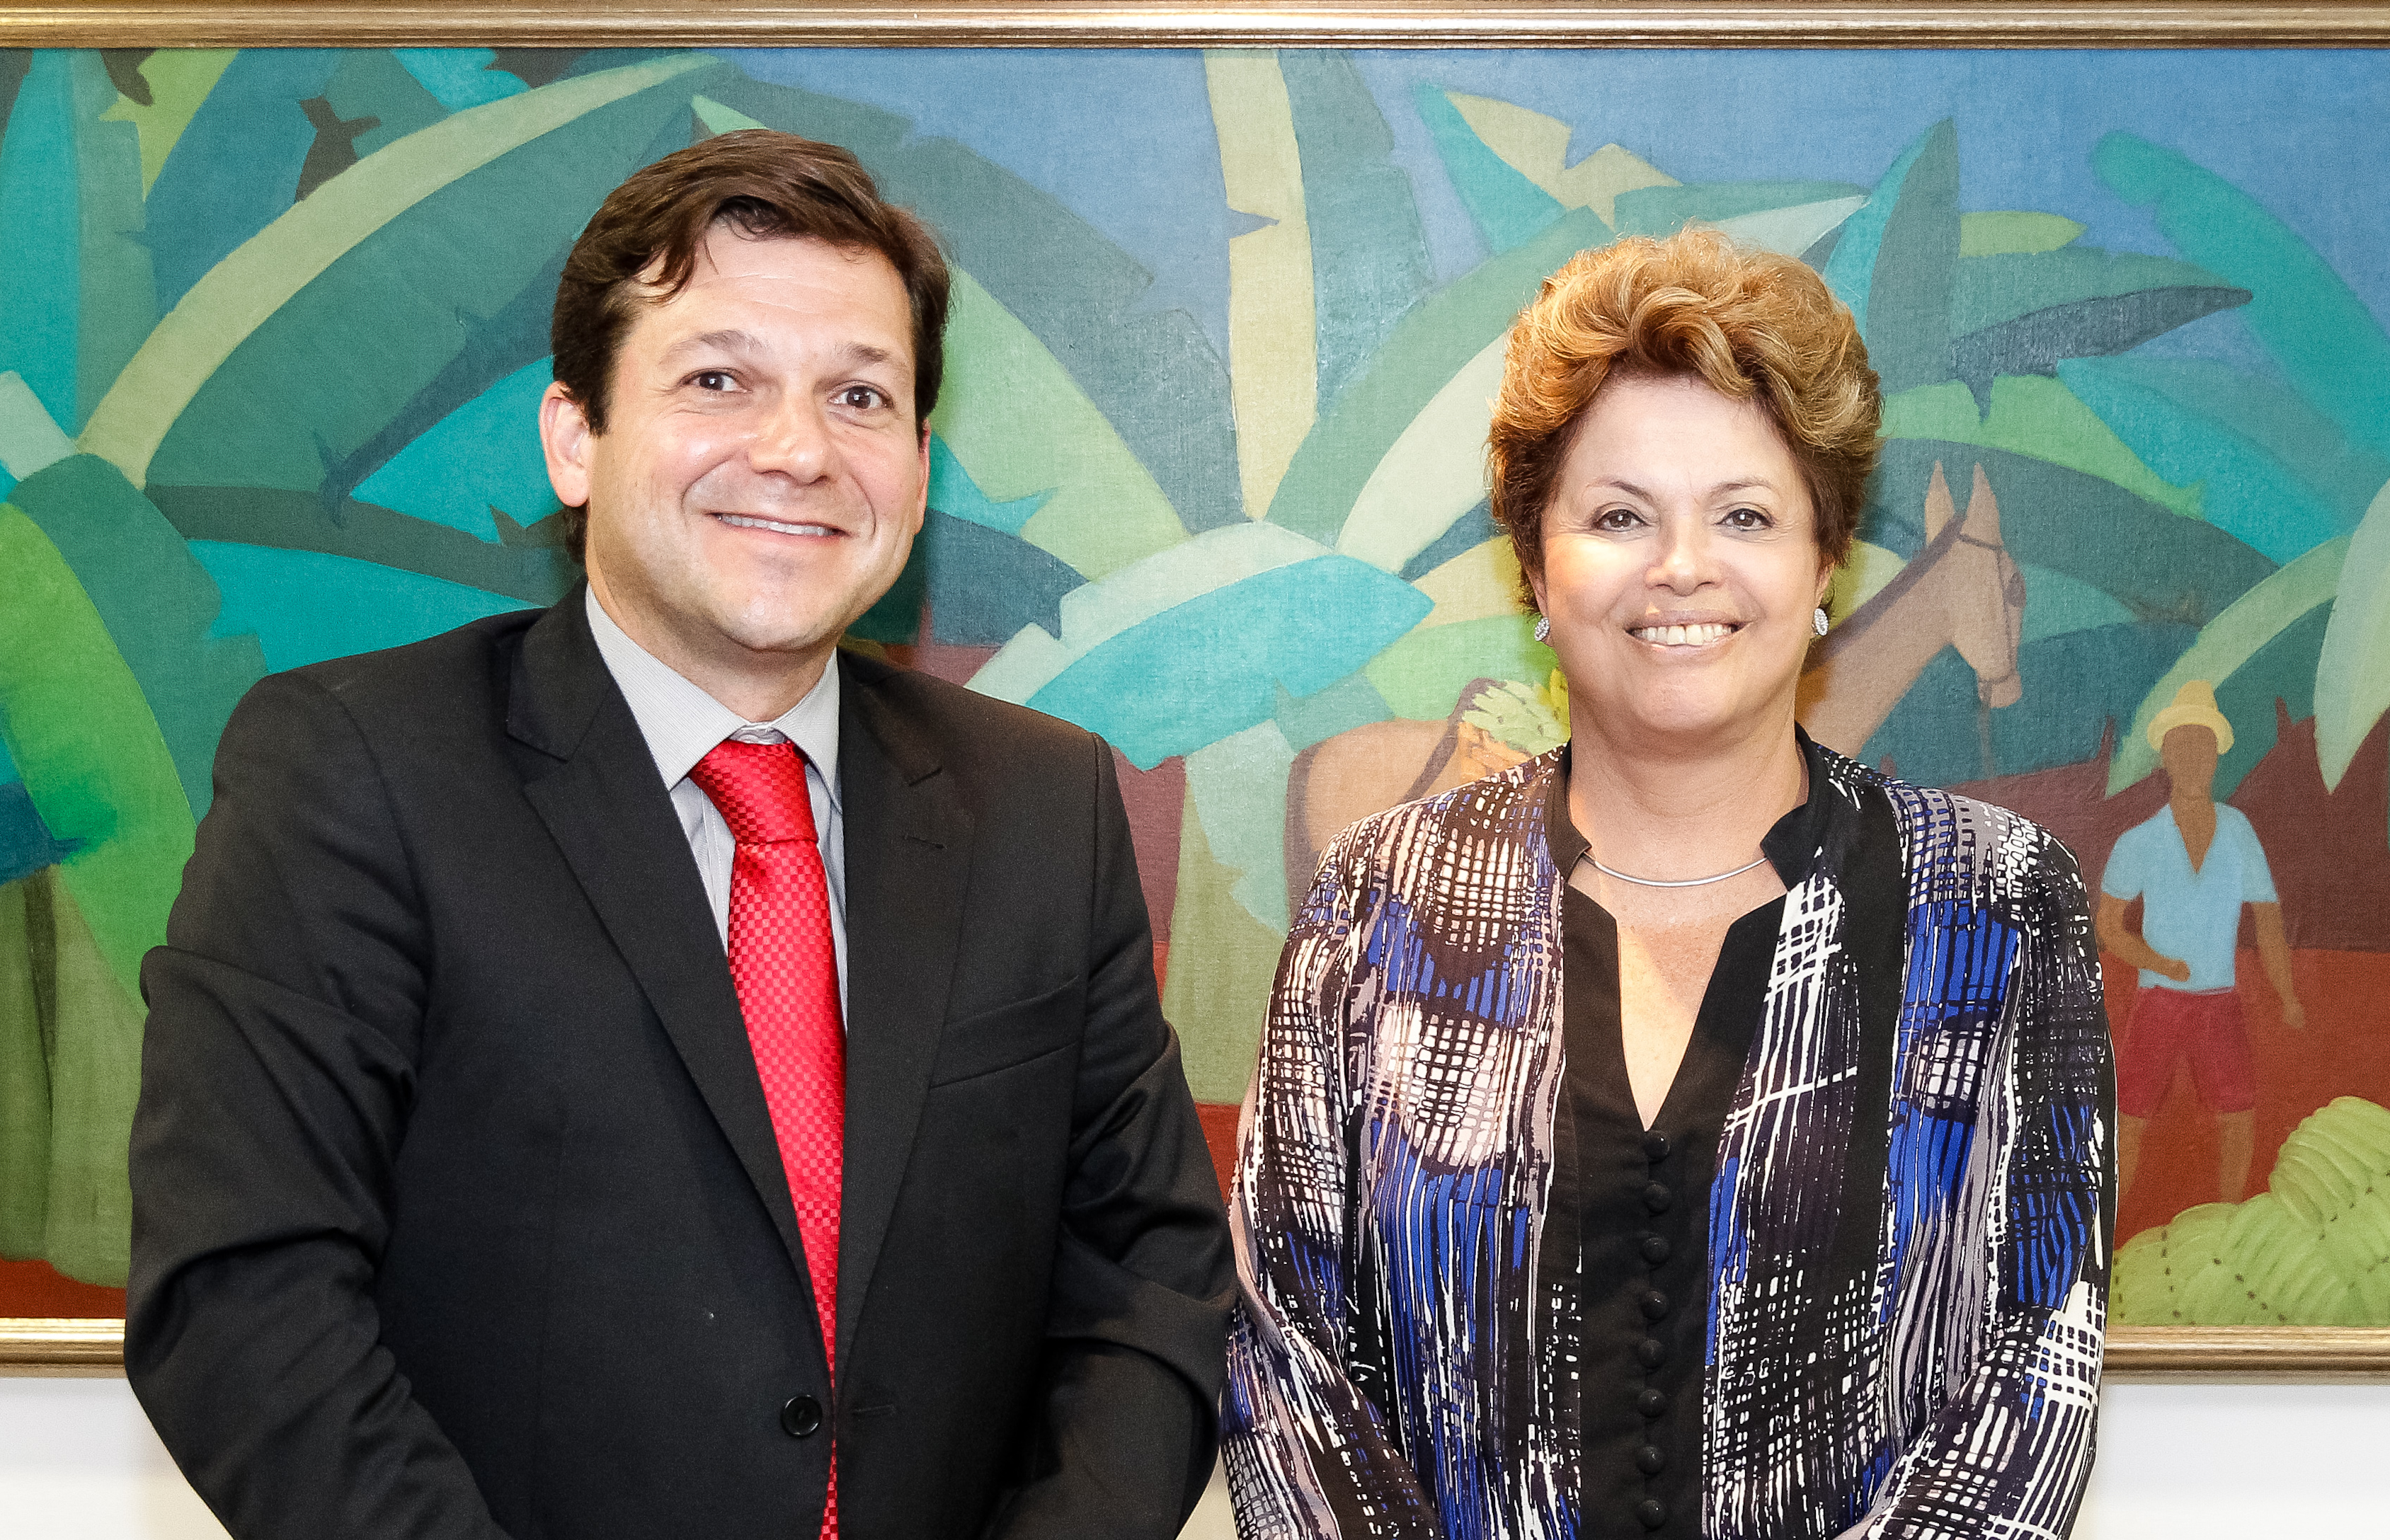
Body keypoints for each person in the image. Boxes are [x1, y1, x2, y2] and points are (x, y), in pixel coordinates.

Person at [126, 130, 1232, 1540]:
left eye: (859, 394)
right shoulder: (353, 771)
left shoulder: (1042, 804)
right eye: (719, 379)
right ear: (574, 434)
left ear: (916, 461)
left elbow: (1147, 1277)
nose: (796, 449)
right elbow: (244, 1294)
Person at [1221, 227, 2112, 1539]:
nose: (1680, 565)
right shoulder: (1380, 898)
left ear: (1824, 564)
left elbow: (2031, 1367)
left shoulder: (1996, 899)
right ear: (1535, 565)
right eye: (1619, 514)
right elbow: (1282, 1359)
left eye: (1743, 513)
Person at [2100, 679, 2304, 1209]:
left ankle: (2230, 1226)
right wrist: (2158, 961)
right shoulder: (2138, 841)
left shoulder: (2239, 832)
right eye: (2182, 747)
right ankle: (2108, 1239)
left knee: (2238, 1118)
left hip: (2220, 1004)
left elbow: (2269, 918)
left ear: (2216, 757)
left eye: (2204, 747)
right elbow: (2109, 926)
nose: (2193, 758)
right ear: (2166, 755)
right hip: (2157, 1004)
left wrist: (2286, 993)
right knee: (2129, 1122)